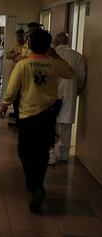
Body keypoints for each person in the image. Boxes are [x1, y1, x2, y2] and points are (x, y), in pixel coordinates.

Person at [0, 29, 74, 213]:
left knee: (25, 151)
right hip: (48, 116)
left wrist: (4, 104)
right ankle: (37, 185)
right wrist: (55, 55)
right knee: (41, 152)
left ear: (30, 45)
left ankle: (34, 186)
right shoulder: (54, 64)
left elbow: (13, 88)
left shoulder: (23, 65)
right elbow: (70, 73)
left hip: (28, 116)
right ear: (48, 45)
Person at [48, 32, 86, 165]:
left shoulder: (50, 55)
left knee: (49, 126)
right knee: (66, 126)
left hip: (52, 95)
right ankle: (63, 155)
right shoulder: (77, 56)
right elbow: (81, 77)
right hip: (69, 95)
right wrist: (78, 89)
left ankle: (50, 155)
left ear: (56, 42)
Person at [5, 29, 28, 126]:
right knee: (15, 97)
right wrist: (15, 55)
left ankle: (19, 119)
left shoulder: (26, 46)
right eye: (17, 37)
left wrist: (17, 57)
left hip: (23, 76)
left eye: (21, 36)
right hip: (15, 73)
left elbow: (23, 58)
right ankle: (16, 114)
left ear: (25, 36)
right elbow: (7, 55)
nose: (19, 38)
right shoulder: (16, 46)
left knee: (19, 97)